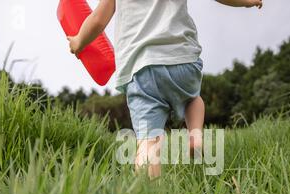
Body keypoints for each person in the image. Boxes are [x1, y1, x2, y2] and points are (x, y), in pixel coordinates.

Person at [68, 0, 264, 178]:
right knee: (193, 98)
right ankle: (195, 135)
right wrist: (246, 2)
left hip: (142, 70)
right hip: (183, 59)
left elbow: (98, 20)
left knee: (148, 142)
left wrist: (78, 42)